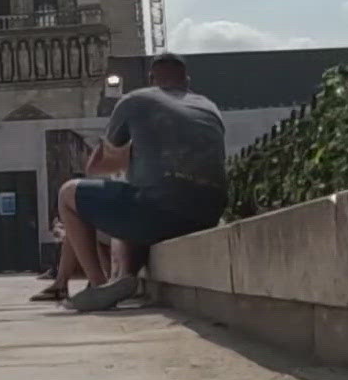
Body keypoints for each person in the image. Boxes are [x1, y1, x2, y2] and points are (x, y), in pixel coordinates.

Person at [41, 53, 228, 312]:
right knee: (138, 198)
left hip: (161, 210)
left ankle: (98, 284)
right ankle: (125, 276)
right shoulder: (209, 106)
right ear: (187, 81)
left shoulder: (136, 99)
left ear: (151, 79)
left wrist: (120, 155)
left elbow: (102, 165)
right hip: (208, 212)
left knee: (69, 193)